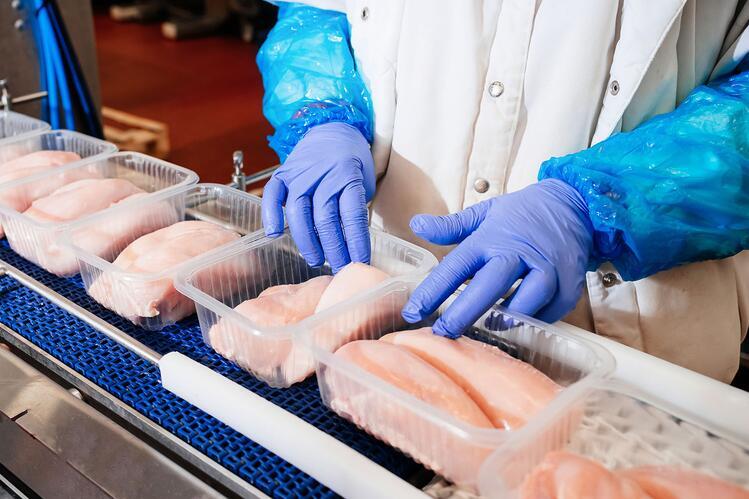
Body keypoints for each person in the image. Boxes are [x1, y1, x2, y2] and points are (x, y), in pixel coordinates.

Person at [257, 1, 749, 382]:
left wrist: (599, 203)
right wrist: (324, 115)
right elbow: (317, 12)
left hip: (629, 337)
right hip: (387, 281)